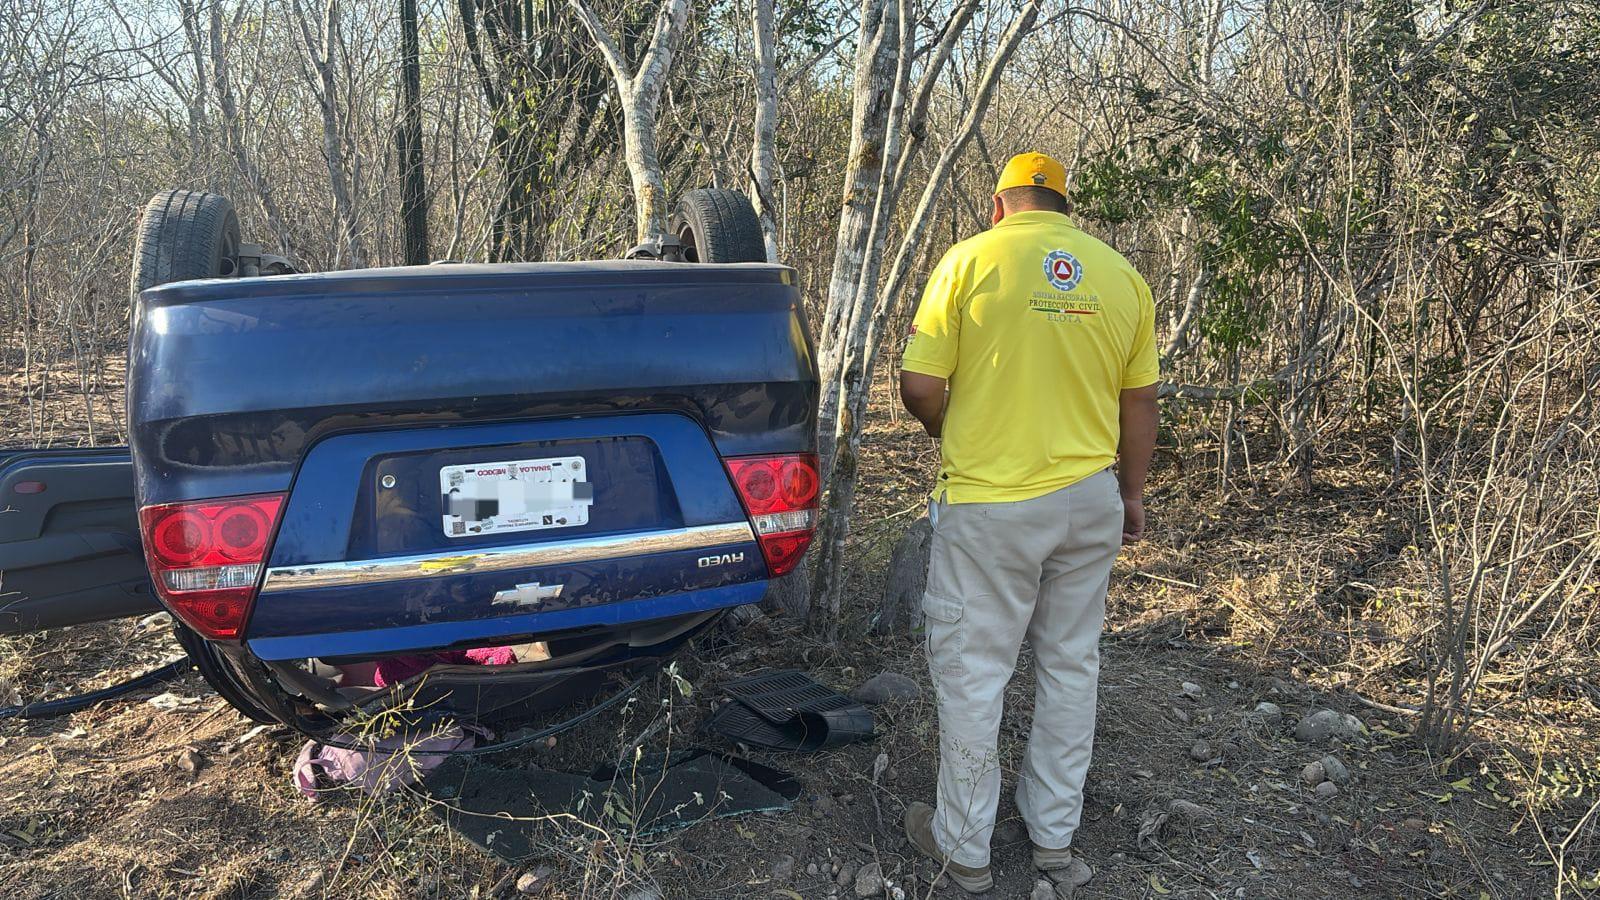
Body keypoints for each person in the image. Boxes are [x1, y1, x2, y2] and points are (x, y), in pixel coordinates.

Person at [898, 151, 1159, 894]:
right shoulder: (1120, 275)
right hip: (1089, 499)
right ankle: (1053, 839)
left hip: (992, 503)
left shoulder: (970, 260)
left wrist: (950, 425)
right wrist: (1131, 494)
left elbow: (920, 385)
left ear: (997, 204)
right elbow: (1140, 404)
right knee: (1071, 665)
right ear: (1064, 206)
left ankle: (965, 850)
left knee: (976, 674)